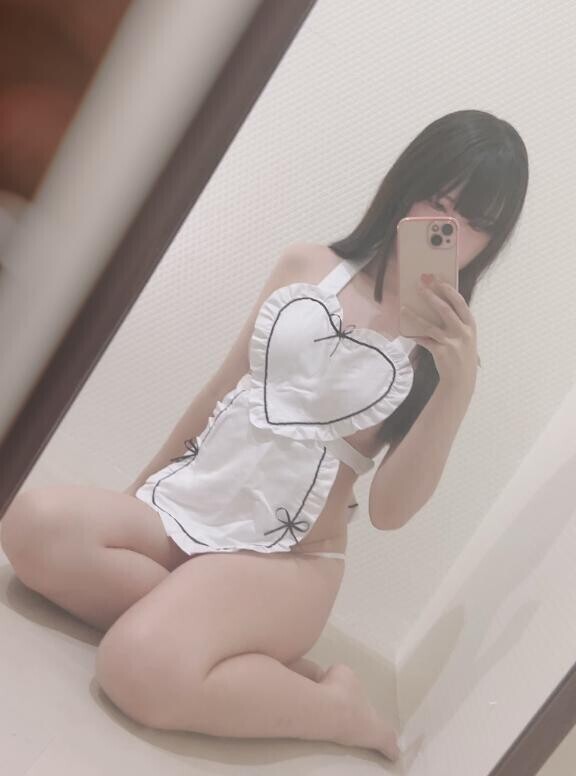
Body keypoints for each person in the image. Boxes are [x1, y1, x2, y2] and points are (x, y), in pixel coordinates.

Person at [0, 109, 529, 760]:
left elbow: (389, 512)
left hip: (287, 565)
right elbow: (220, 392)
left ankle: (338, 710)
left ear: (492, 242)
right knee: (32, 527)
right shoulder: (308, 266)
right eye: (438, 203)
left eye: (476, 223)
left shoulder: (441, 357)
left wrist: (456, 390)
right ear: (405, 185)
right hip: (197, 507)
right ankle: (225, 646)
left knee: (135, 668)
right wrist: (137, 500)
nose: (449, 231)